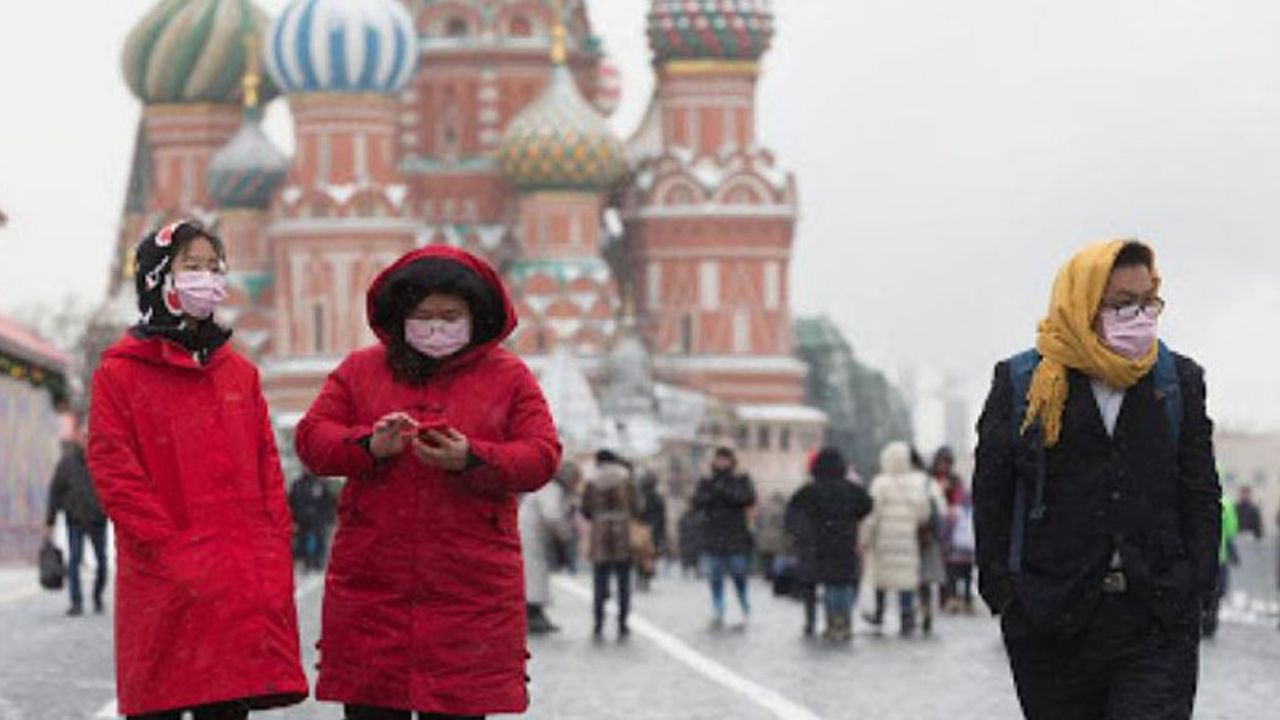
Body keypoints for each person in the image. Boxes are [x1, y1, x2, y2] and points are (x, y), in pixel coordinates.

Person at [295, 245, 561, 720]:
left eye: (450, 315)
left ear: (475, 316)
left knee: (457, 708)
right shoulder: (361, 371)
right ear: (401, 317)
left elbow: (541, 455)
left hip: (468, 588)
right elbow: (313, 440)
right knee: (374, 707)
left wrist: (474, 457)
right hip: (374, 587)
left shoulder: (509, 376)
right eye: (423, 315)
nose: (436, 327)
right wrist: (369, 447)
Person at [973, 239, 1220, 720]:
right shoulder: (1025, 383)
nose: (1140, 316)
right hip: (1053, 619)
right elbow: (993, 494)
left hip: (1156, 613)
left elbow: (1200, 491)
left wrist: (1198, 585)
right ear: (1083, 303)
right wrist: (1006, 593)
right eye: (1123, 304)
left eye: (1149, 302)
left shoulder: (1178, 382)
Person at [87, 221, 307, 720]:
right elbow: (113, 470)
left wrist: (273, 544)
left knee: (227, 705)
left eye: (214, 267)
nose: (207, 279)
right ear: (157, 278)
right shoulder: (119, 375)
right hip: (165, 582)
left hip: (234, 579)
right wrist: (170, 551)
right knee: (162, 699)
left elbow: (266, 466)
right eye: (192, 267)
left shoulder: (239, 374)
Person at [786, 447, 873, 641]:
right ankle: (845, 620)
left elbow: (792, 512)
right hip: (846, 543)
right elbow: (867, 505)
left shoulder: (809, 491)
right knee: (846, 584)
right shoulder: (851, 490)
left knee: (831, 586)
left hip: (821, 544)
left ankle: (833, 622)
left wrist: (802, 533)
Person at [861, 442, 931, 636]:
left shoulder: (880, 483)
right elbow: (923, 514)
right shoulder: (917, 482)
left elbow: (872, 515)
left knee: (881, 579)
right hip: (907, 542)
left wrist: (865, 539)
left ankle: (879, 612)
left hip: (884, 541)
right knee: (905, 580)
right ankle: (906, 616)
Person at [45, 419, 109, 616]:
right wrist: (50, 520)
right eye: (83, 436)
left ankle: (97, 597)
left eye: (89, 436)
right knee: (74, 561)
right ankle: (76, 603)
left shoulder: (102, 460)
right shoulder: (66, 463)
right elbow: (55, 492)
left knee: (102, 562)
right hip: (76, 519)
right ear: (77, 438)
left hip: (98, 519)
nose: (86, 440)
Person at [692, 447, 757, 628]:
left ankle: (744, 607)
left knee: (739, 574)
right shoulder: (706, 481)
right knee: (715, 576)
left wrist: (725, 493)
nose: (722, 463)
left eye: (725, 460)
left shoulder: (741, 480)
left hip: (735, 535)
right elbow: (698, 501)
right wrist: (715, 493)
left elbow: (748, 498)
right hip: (712, 536)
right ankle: (718, 608)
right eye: (719, 459)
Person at [581, 450, 639, 639]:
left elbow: (586, 509)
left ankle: (598, 623)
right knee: (624, 582)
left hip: (600, 534)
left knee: (599, 582)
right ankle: (623, 623)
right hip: (623, 532)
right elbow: (638, 506)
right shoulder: (626, 478)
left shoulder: (592, 480)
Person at [520, 462, 580, 635]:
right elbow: (552, 515)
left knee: (536, 574)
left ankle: (535, 611)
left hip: (534, 535)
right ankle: (533, 612)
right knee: (534, 575)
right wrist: (566, 534)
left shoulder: (550, 488)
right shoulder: (551, 490)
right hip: (532, 536)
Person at [933, 447, 976, 615]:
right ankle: (946, 598)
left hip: (954, 526)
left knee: (959, 566)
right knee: (944, 566)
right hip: (938, 524)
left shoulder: (955, 480)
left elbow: (962, 500)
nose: (943, 466)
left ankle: (962, 598)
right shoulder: (930, 479)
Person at [913, 447, 948, 635]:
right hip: (926, 536)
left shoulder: (898, 481)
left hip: (906, 535)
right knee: (925, 578)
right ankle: (926, 610)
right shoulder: (928, 482)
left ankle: (909, 613)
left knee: (909, 577)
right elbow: (941, 511)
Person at [1201, 496, 1238, 639]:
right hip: (1218, 557)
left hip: (1198, 555)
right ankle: (1210, 623)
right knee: (1215, 593)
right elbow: (1231, 530)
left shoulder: (1193, 497)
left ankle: (1198, 621)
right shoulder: (1226, 504)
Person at [288, 471, 337, 572]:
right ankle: (304, 560)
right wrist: (293, 519)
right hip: (302, 520)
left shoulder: (322, 484)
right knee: (302, 541)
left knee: (319, 540)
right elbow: (292, 502)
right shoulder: (298, 484)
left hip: (319, 520)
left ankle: (317, 562)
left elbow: (330, 502)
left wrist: (328, 517)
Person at [636, 471, 668, 587]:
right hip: (653, 529)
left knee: (641, 555)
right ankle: (646, 575)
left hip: (641, 530)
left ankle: (642, 575)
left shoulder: (640, 497)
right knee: (649, 555)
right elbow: (662, 518)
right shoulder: (658, 498)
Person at [754, 492, 789, 582]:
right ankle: (775, 575)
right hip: (778, 537)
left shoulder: (764, 509)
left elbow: (757, 521)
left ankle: (767, 574)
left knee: (767, 557)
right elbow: (784, 524)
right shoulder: (783, 509)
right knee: (777, 557)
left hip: (763, 537)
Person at [677, 505, 702, 578]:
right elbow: (681, 529)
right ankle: (685, 570)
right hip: (687, 540)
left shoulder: (697, 516)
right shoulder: (684, 517)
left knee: (695, 557)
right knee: (686, 556)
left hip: (695, 540)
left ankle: (697, 571)